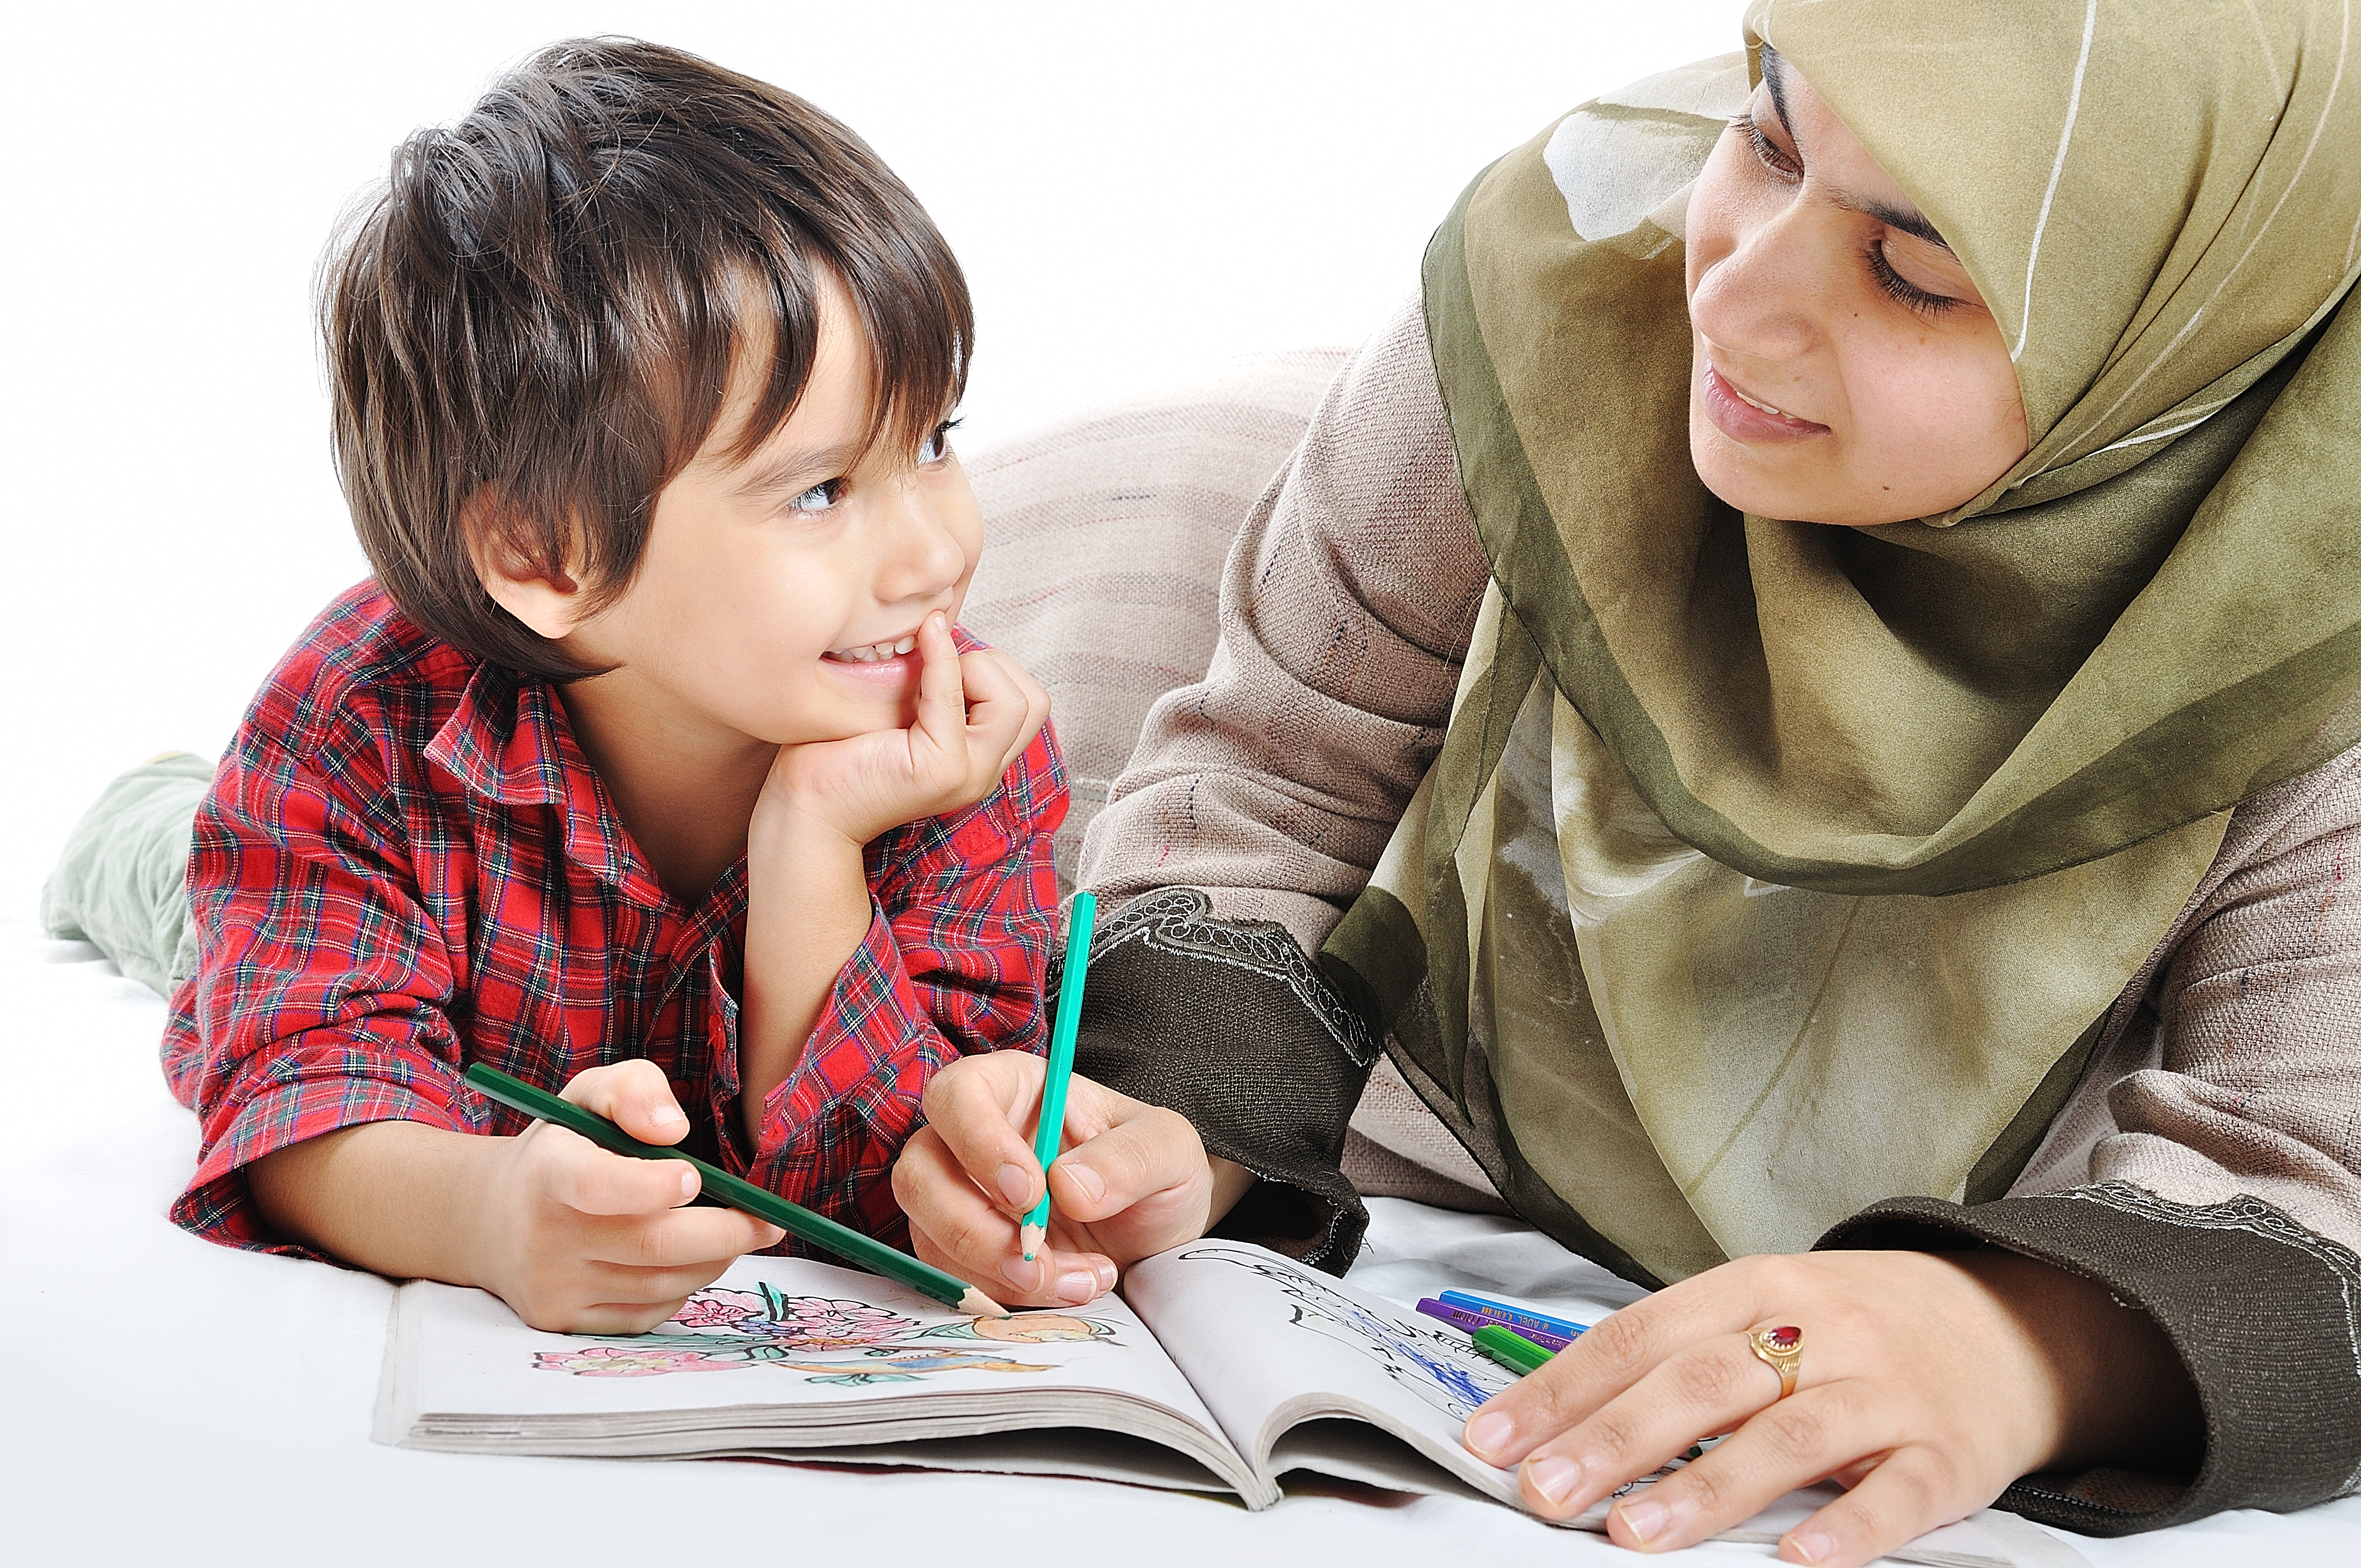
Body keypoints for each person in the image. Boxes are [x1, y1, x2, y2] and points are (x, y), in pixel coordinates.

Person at [890, 1, 2361, 1562]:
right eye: (1770, 137)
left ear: (2183, 333)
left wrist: (2025, 1344)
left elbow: (2316, 1166)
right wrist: (1164, 1126)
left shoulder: (2318, 618)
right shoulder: (1561, 308)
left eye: (1918, 267)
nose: (1728, 288)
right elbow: (1273, 770)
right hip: (1131, 584)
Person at [158, 39, 1063, 1335]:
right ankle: (146, 816)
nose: (935, 554)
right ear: (545, 553)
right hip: (265, 881)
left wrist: (813, 844)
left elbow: (869, 1173)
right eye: (819, 489)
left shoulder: (966, 742)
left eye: (931, 441)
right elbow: (297, 1083)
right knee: (166, 899)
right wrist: (488, 1212)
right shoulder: (358, 712)